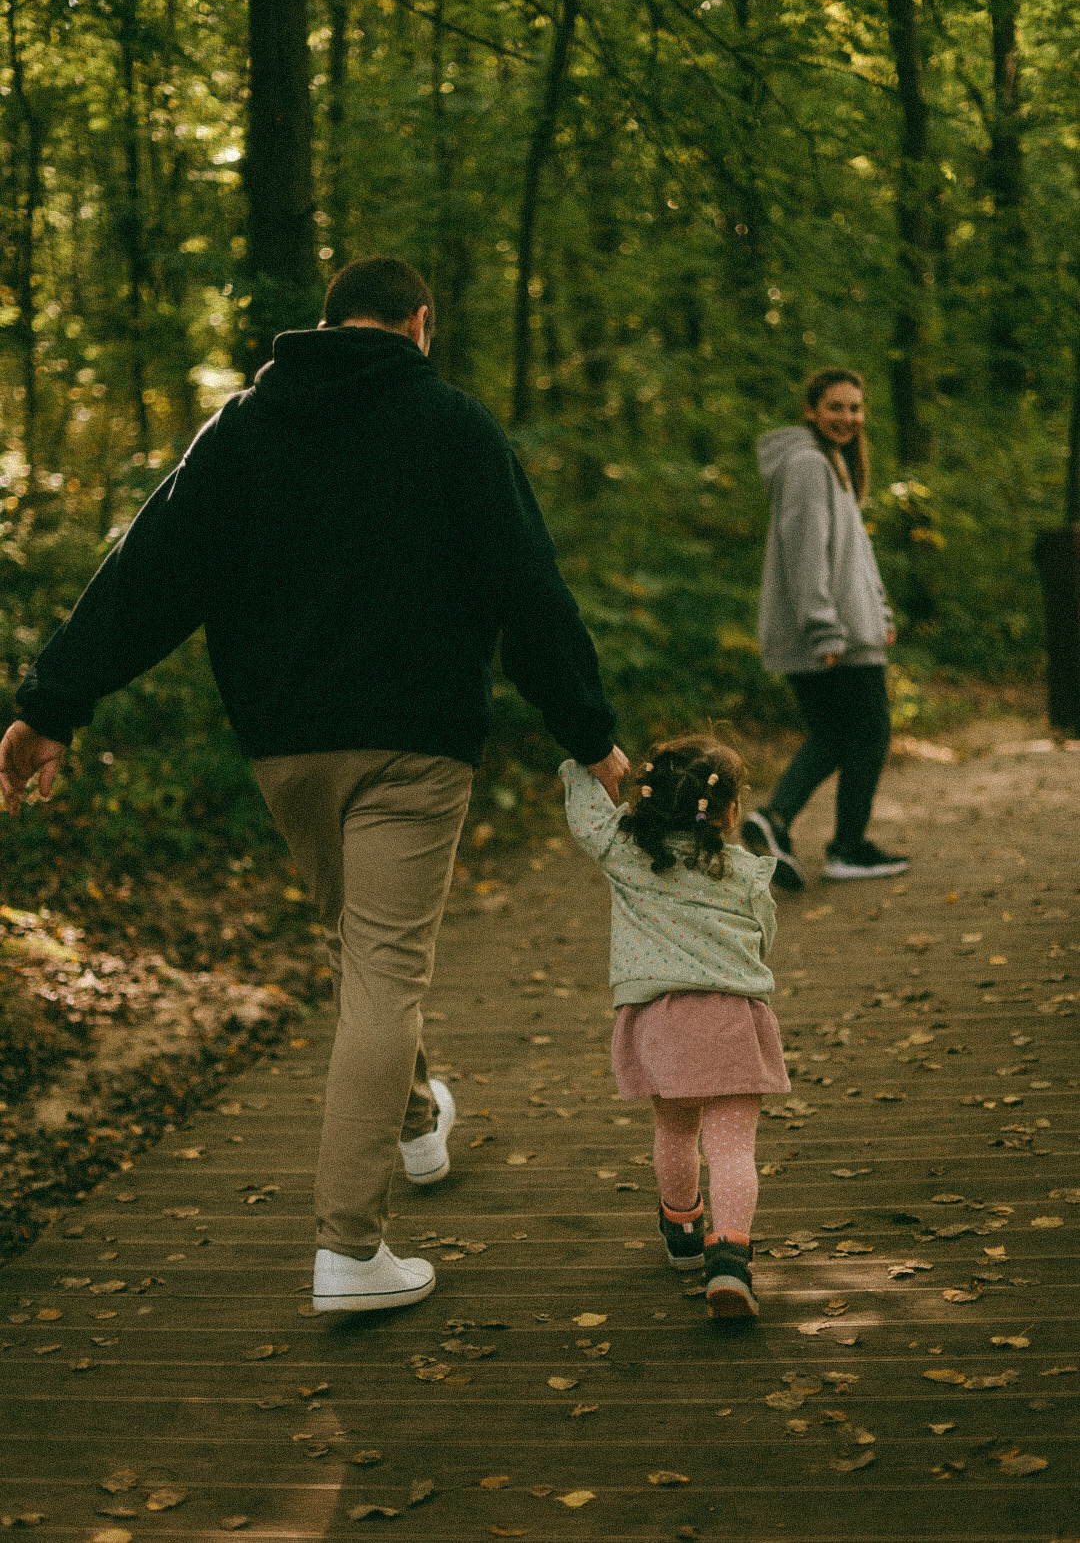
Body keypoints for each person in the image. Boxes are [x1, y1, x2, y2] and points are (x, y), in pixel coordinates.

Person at [0, 255, 630, 1313]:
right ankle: (348, 1248)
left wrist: (51, 703)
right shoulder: (452, 426)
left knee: (361, 943)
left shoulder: (244, 427)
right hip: (415, 747)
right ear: (419, 325)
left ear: (328, 322)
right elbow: (528, 591)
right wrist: (593, 736)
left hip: (286, 749)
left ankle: (421, 1123)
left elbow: (146, 572)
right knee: (383, 967)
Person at [561, 732, 786, 1321]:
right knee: (732, 1146)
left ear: (646, 801)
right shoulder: (746, 873)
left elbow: (586, 815)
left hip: (660, 1023)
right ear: (730, 811)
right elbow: (764, 937)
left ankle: (683, 1228)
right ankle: (731, 1258)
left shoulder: (627, 855)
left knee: (676, 1132)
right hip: (732, 1019)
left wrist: (589, 762)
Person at [742, 367, 908, 888]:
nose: (847, 418)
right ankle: (843, 847)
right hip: (830, 635)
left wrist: (878, 613)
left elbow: (855, 555)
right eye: (835, 407)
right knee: (865, 732)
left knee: (841, 734)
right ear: (811, 411)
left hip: (851, 629)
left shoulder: (833, 463)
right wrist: (823, 630)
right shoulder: (808, 465)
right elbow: (805, 553)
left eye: (855, 408)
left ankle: (777, 821)